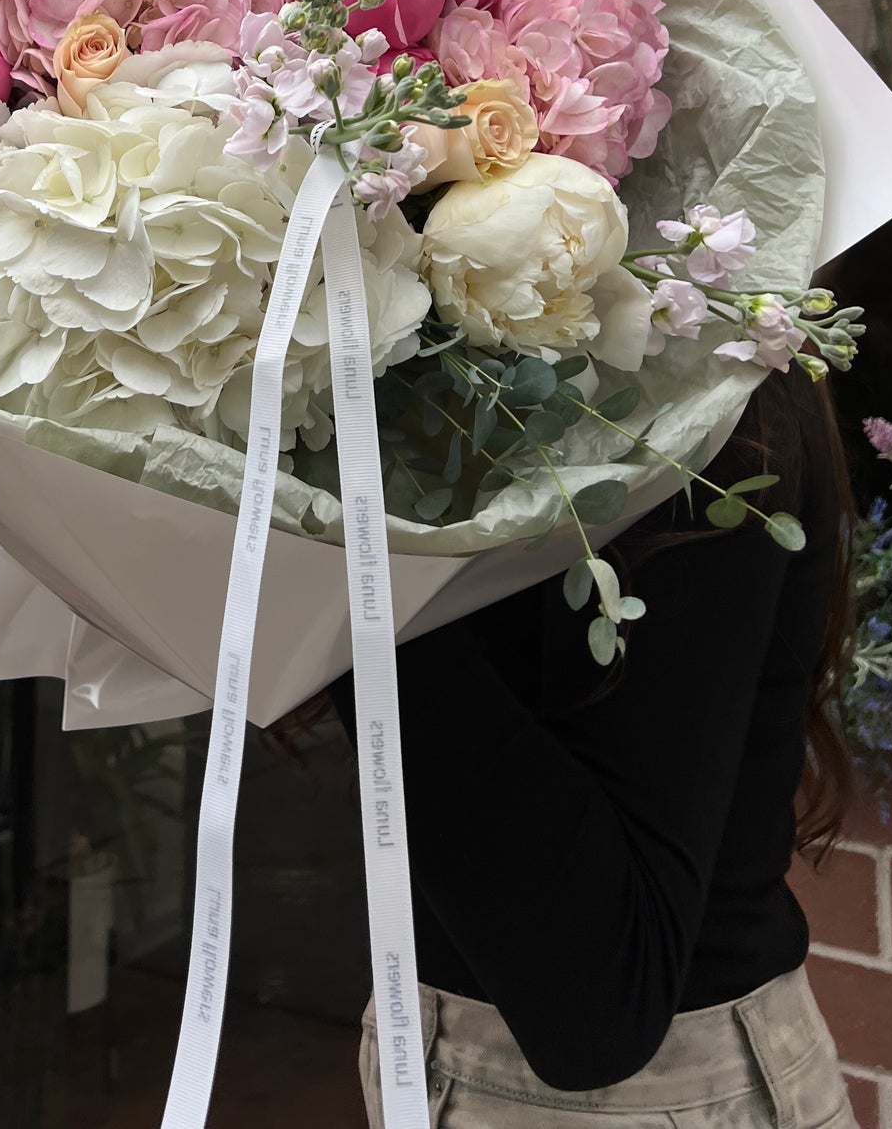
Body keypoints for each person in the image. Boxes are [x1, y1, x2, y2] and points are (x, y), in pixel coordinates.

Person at [337, 372, 860, 1129]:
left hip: (643, 1095)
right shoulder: (492, 375)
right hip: (438, 1035)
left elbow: (599, 1007)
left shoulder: (678, 389)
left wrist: (336, 559)